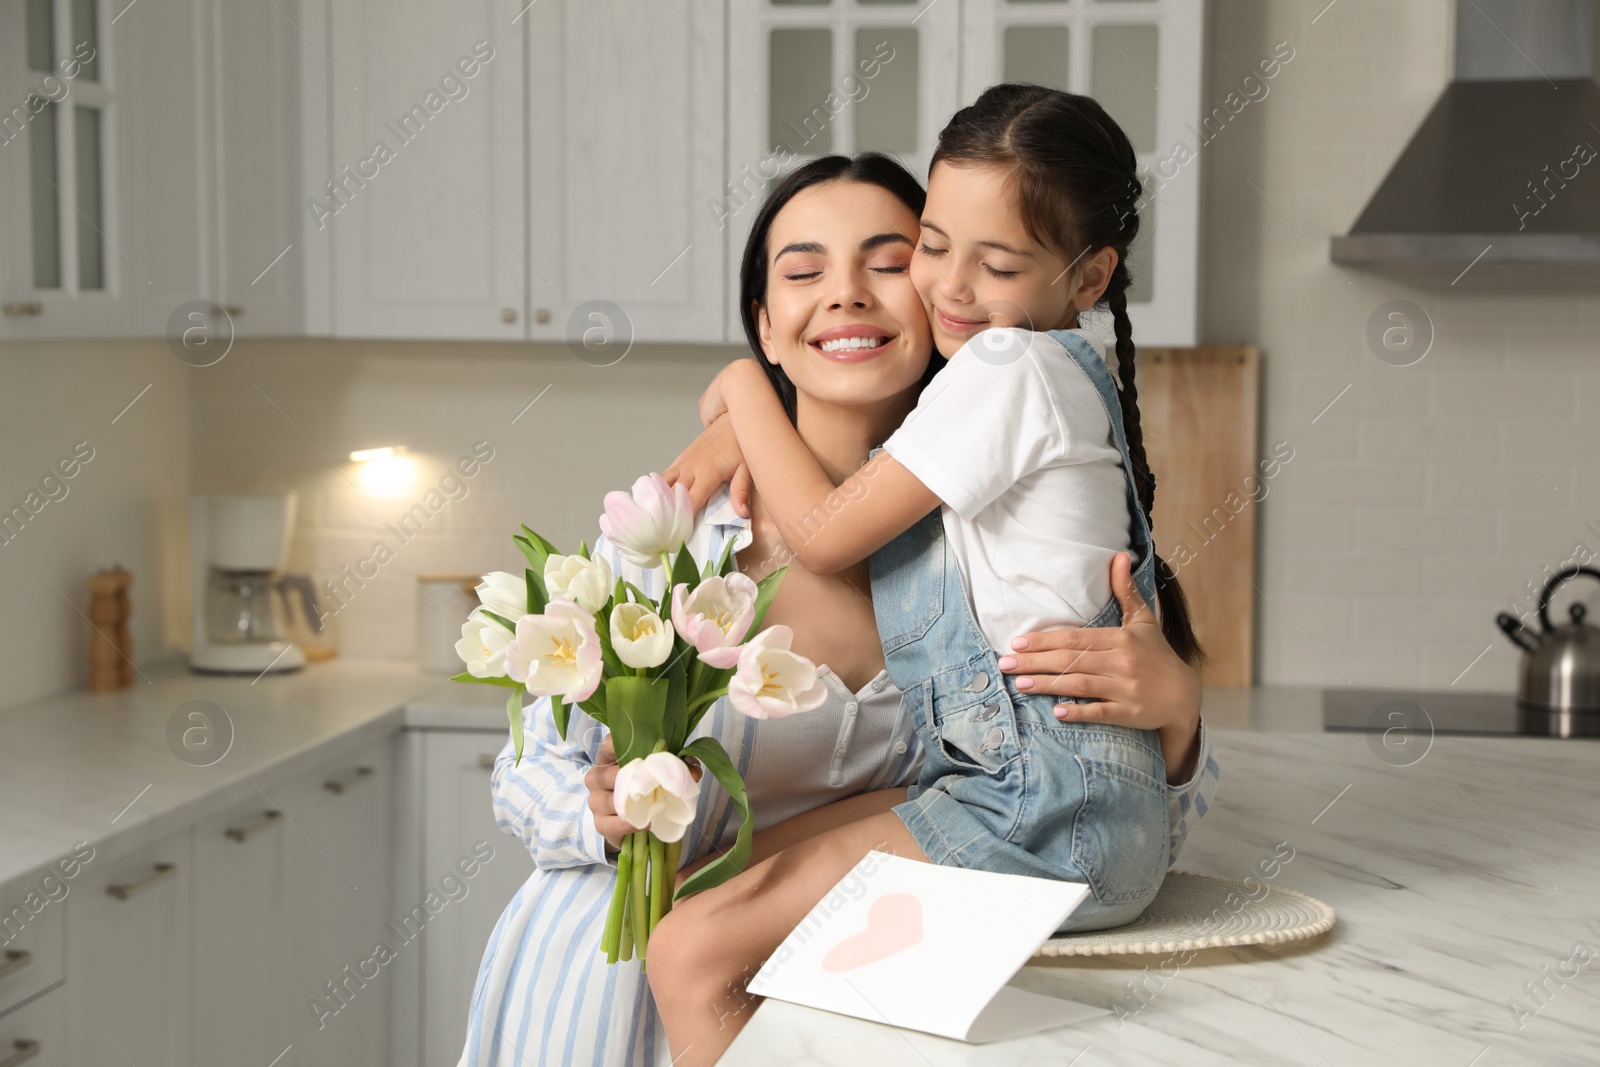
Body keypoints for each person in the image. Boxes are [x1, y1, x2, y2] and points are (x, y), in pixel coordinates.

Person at [457, 150, 1219, 1067]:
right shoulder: (673, 535)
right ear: (765, 327)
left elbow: (1108, 836)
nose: (847, 295)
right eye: (804, 271)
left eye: (889, 262)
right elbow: (523, 770)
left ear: (941, 300)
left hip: (852, 1004)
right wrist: (599, 811)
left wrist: (1175, 716)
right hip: (610, 984)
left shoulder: (994, 544)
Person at [646, 86, 1201, 1065]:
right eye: (935, 246)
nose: (950, 286)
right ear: (767, 315)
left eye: (993, 264)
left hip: (1038, 809)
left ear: (1090, 275)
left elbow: (824, 535)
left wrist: (741, 389)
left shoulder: (1002, 372)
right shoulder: (1030, 410)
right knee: (716, 890)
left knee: (690, 946)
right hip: (1050, 806)